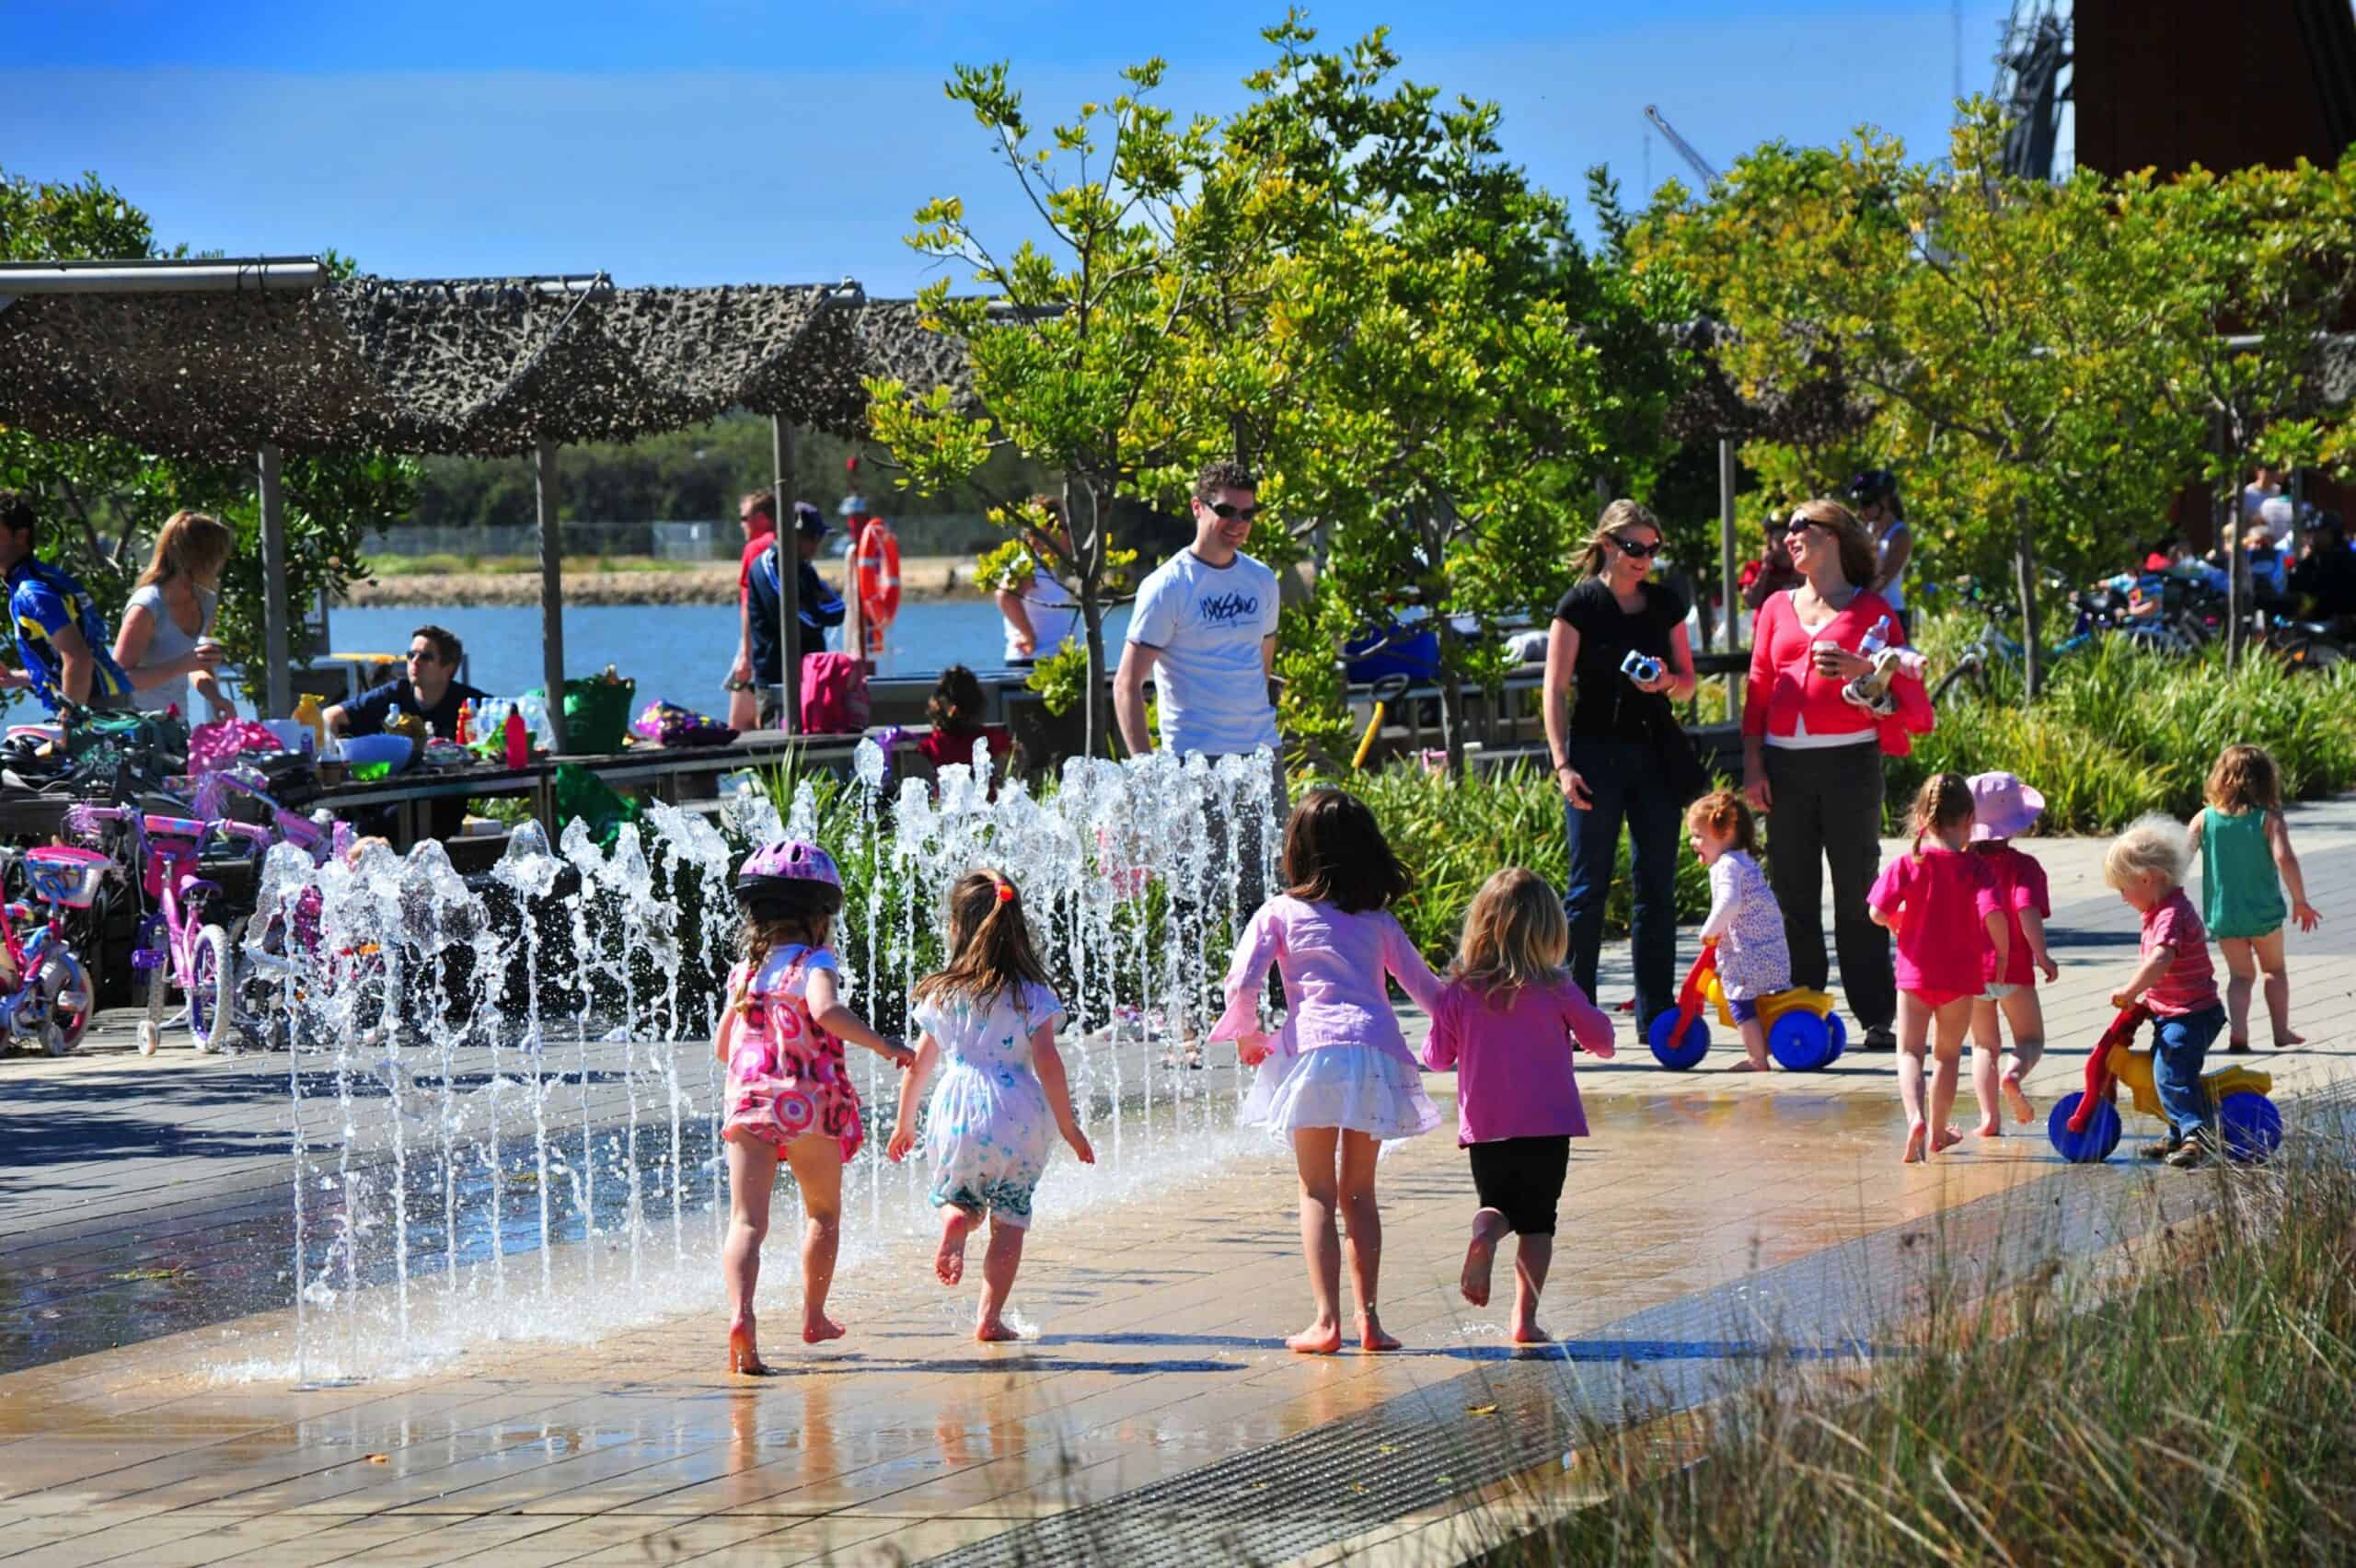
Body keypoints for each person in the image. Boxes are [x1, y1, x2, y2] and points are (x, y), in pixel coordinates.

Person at [1208, 789, 1443, 1355]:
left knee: (1316, 1192)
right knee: (1359, 1194)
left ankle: (1326, 1322)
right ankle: (1371, 1322)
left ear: (1298, 852)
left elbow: (1242, 983)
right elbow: (1429, 990)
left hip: (1314, 1054)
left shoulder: (1280, 912)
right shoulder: (1378, 920)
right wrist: (1460, 1034)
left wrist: (1246, 1036)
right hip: (1373, 1053)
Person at [714, 839, 914, 1374]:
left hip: (750, 1104)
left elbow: (720, 1048)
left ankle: (742, 1316)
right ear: (820, 916)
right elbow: (825, 1010)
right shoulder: (814, 961)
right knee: (822, 1214)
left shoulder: (744, 974)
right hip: (808, 1106)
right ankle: (813, 1315)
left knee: (747, 1222)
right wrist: (884, 1044)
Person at [1741, 499, 1929, 1055]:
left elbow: (1901, 691)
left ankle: (1875, 1014)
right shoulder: (1775, 606)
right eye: (1788, 528)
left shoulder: (1873, 611)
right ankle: (1803, 1006)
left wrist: (1863, 667)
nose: (1789, 536)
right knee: (1794, 892)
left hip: (1851, 761)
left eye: (1803, 527)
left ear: (1836, 537)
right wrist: (1752, 763)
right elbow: (1756, 688)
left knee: (1857, 893)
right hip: (1784, 762)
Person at [886, 870, 1094, 1342]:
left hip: (957, 1111)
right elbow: (1048, 1062)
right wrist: (1069, 1126)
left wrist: (905, 1124)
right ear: (1017, 928)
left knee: (958, 1196)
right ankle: (989, 1318)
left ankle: (956, 1218)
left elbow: (918, 1067)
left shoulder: (943, 992)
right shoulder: (1032, 995)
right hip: (1018, 1115)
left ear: (957, 927)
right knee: (1010, 1220)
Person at [1419, 868, 1614, 1344]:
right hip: (1548, 1125)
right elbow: (1605, 1041)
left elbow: (1437, 1058)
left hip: (1487, 1128)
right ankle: (1524, 1321)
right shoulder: (1556, 987)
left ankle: (1485, 1233)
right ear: (1550, 930)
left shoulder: (1461, 994)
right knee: (1538, 1222)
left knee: (1498, 1204)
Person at [1542, 501, 1699, 1037]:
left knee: (1655, 885)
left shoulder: (1664, 603)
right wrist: (1562, 764)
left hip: (1654, 754)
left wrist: (1664, 683)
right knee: (1586, 890)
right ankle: (1575, 1010)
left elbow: (1689, 680)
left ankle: (1655, 1013)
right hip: (1593, 756)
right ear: (1608, 545)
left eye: (1653, 549)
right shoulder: (1580, 604)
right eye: (1635, 549)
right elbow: (1555, 689)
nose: (1645, 560)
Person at [1867, 773, 2007, 1165]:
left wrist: (1896, 920)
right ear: (1968, 821)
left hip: (1914, 976)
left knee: (1910, 1051)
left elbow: (1876, 912)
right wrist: (2004, 952)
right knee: (1946, 1056)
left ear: (1921, 820)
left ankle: (1916, 1118)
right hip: (1960, 980)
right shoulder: (1976, 868)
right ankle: (1939, 1131)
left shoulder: (1907, 864)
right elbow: (1994, 914)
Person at [1115, 458, 1281, 769]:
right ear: (1197, 507)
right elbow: (1127, 683)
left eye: (1248, 513)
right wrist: (1145, 767)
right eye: (1225, 511)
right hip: (1194, 760)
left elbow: (1262, 666)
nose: (1238, 523)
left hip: (1262, 753)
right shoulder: (1167, 586)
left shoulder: (1262, 579)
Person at [2104, 815, 2225, 1169]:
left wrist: (2130, 990)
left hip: (2191, 1014)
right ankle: (2179, 1132)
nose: (2123, 898)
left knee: (2171, 1072)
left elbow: (2161, 958)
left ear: (2147, 878)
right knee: (2167, 1072)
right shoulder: (2160, 911)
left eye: (2123, 888)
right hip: (2174, 1012)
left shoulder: (2170, 915)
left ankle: (2196, 1136)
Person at [2189, 744, 2321, 1054]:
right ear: (2266, 780)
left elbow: (2180, 856)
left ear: (2220, 778)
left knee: (2240, 976)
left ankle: (2240, 1032)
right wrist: (2300, 900)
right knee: (2274, 970)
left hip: (2224, 915)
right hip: (2263, 914)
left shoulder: (2204, 818)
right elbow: (2284, 858)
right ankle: (2280, 1031)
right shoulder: (2268, 819)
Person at [1964, 771, 2059, 1136]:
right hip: (2014, 970)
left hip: (1973, 971)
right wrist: (2042, 955)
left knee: (1983, 1045)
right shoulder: (2025, 867)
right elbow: (2026, 911)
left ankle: (1989, 1118)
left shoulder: (1964, 866)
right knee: (2031, 1039)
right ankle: (2014, 1075)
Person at [0, 489, 135, 713]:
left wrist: (67, 723)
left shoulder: (31, 591)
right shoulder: (43, 578)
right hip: (103, 698)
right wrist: (16, 677)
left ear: (21, 535)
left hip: (96, 705)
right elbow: (78, 654)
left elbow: (79, 659)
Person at [1686, 790, 1790, 1074]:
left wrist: (1709, 930)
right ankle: (1768, 1041)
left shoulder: (1727, 866)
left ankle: (1757, 1060)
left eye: (1698, 835)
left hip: (1748, 954)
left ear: (1725, 830)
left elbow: (1729, 902)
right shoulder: (1743, 860)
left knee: (1739, 1002)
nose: (1693, 843)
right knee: (1758, 999)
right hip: (1770, 949)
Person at [113, 510, 235, 722]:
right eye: (217, 557)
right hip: (137, 727)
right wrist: (182, 665)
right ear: (198, 558)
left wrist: (216, 697)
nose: (221, 565)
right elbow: (118, 678)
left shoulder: (206, 601)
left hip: (177, 725)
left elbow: (196, 668)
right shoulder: (148, 605)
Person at [744, 502, 846, 728]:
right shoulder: (765, 567)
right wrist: (815, 612)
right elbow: (790, 619)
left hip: (812, 679)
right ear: (795, 536)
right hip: (776, 681)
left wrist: (811, 610)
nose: (817, 546)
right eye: (814, 538)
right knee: (779, 754)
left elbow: (839, 610)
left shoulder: (806, 570)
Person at [325, 625, 488, 742]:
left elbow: (506, 719)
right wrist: (338, 756)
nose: (414, 662)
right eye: (411, 655)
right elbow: (330, 715)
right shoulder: (393, 695)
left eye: (425, 657)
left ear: (449, 668)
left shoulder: (471, 704)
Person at [993, 497, 1081, 667]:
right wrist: (1028, 636)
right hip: (1034, 663)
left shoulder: (1044, 567)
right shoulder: (1028, 563)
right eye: (1063, 528)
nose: (1070, 535)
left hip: (1049, 662)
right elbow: (1006, 596)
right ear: (1043, 531)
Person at [725, 490, 779, 732]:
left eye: (744, 518)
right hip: (783, 649)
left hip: (757, 646)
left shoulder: (756, 548)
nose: (742, 525)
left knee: (739, 727)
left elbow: (749, 604)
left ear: (762, 518)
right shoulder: (787, 543)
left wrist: (746, 656)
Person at [917, 664, 1012, 782]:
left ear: (937, 705)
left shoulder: (931, 745)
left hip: (946, 800)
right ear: (978, 703)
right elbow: (1016, 763)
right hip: (985, 800)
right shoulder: (992, 739)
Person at [1847, 468, 1914, 638]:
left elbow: (1883, 578)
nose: (1862, 510)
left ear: (1885, 501)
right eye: (1859, 504)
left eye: (1867, 503)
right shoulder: (1866, 530)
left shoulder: (1900, 534)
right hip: (1865, 609)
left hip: (1890, 612)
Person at [2290, 510, 2356, 624]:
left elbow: (2320, 592)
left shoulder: (2342, 557)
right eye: (2309, 533)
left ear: (2331, 534)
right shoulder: (2316, 556)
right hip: (2319, 621)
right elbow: (2297, 582)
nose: (2312, 538)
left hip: (2340, 625)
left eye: (2317, 533)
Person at [1738, 514, 1804, 613]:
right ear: (1769, 542)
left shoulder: (1803, 566)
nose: (1786, 543)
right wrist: (1765, 568)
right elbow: (1751, 602)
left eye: (1791, 539)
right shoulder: (1754, 567)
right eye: (1780, 540)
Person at [2240, 465, 2284, 532]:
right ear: (2258, 471)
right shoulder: (2247, 493)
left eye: (2275, 470)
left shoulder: (2279, 491)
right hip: (2251, 537)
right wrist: (2253, 522)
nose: (2272, 474)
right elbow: (2237, 521)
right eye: (2269, 470)